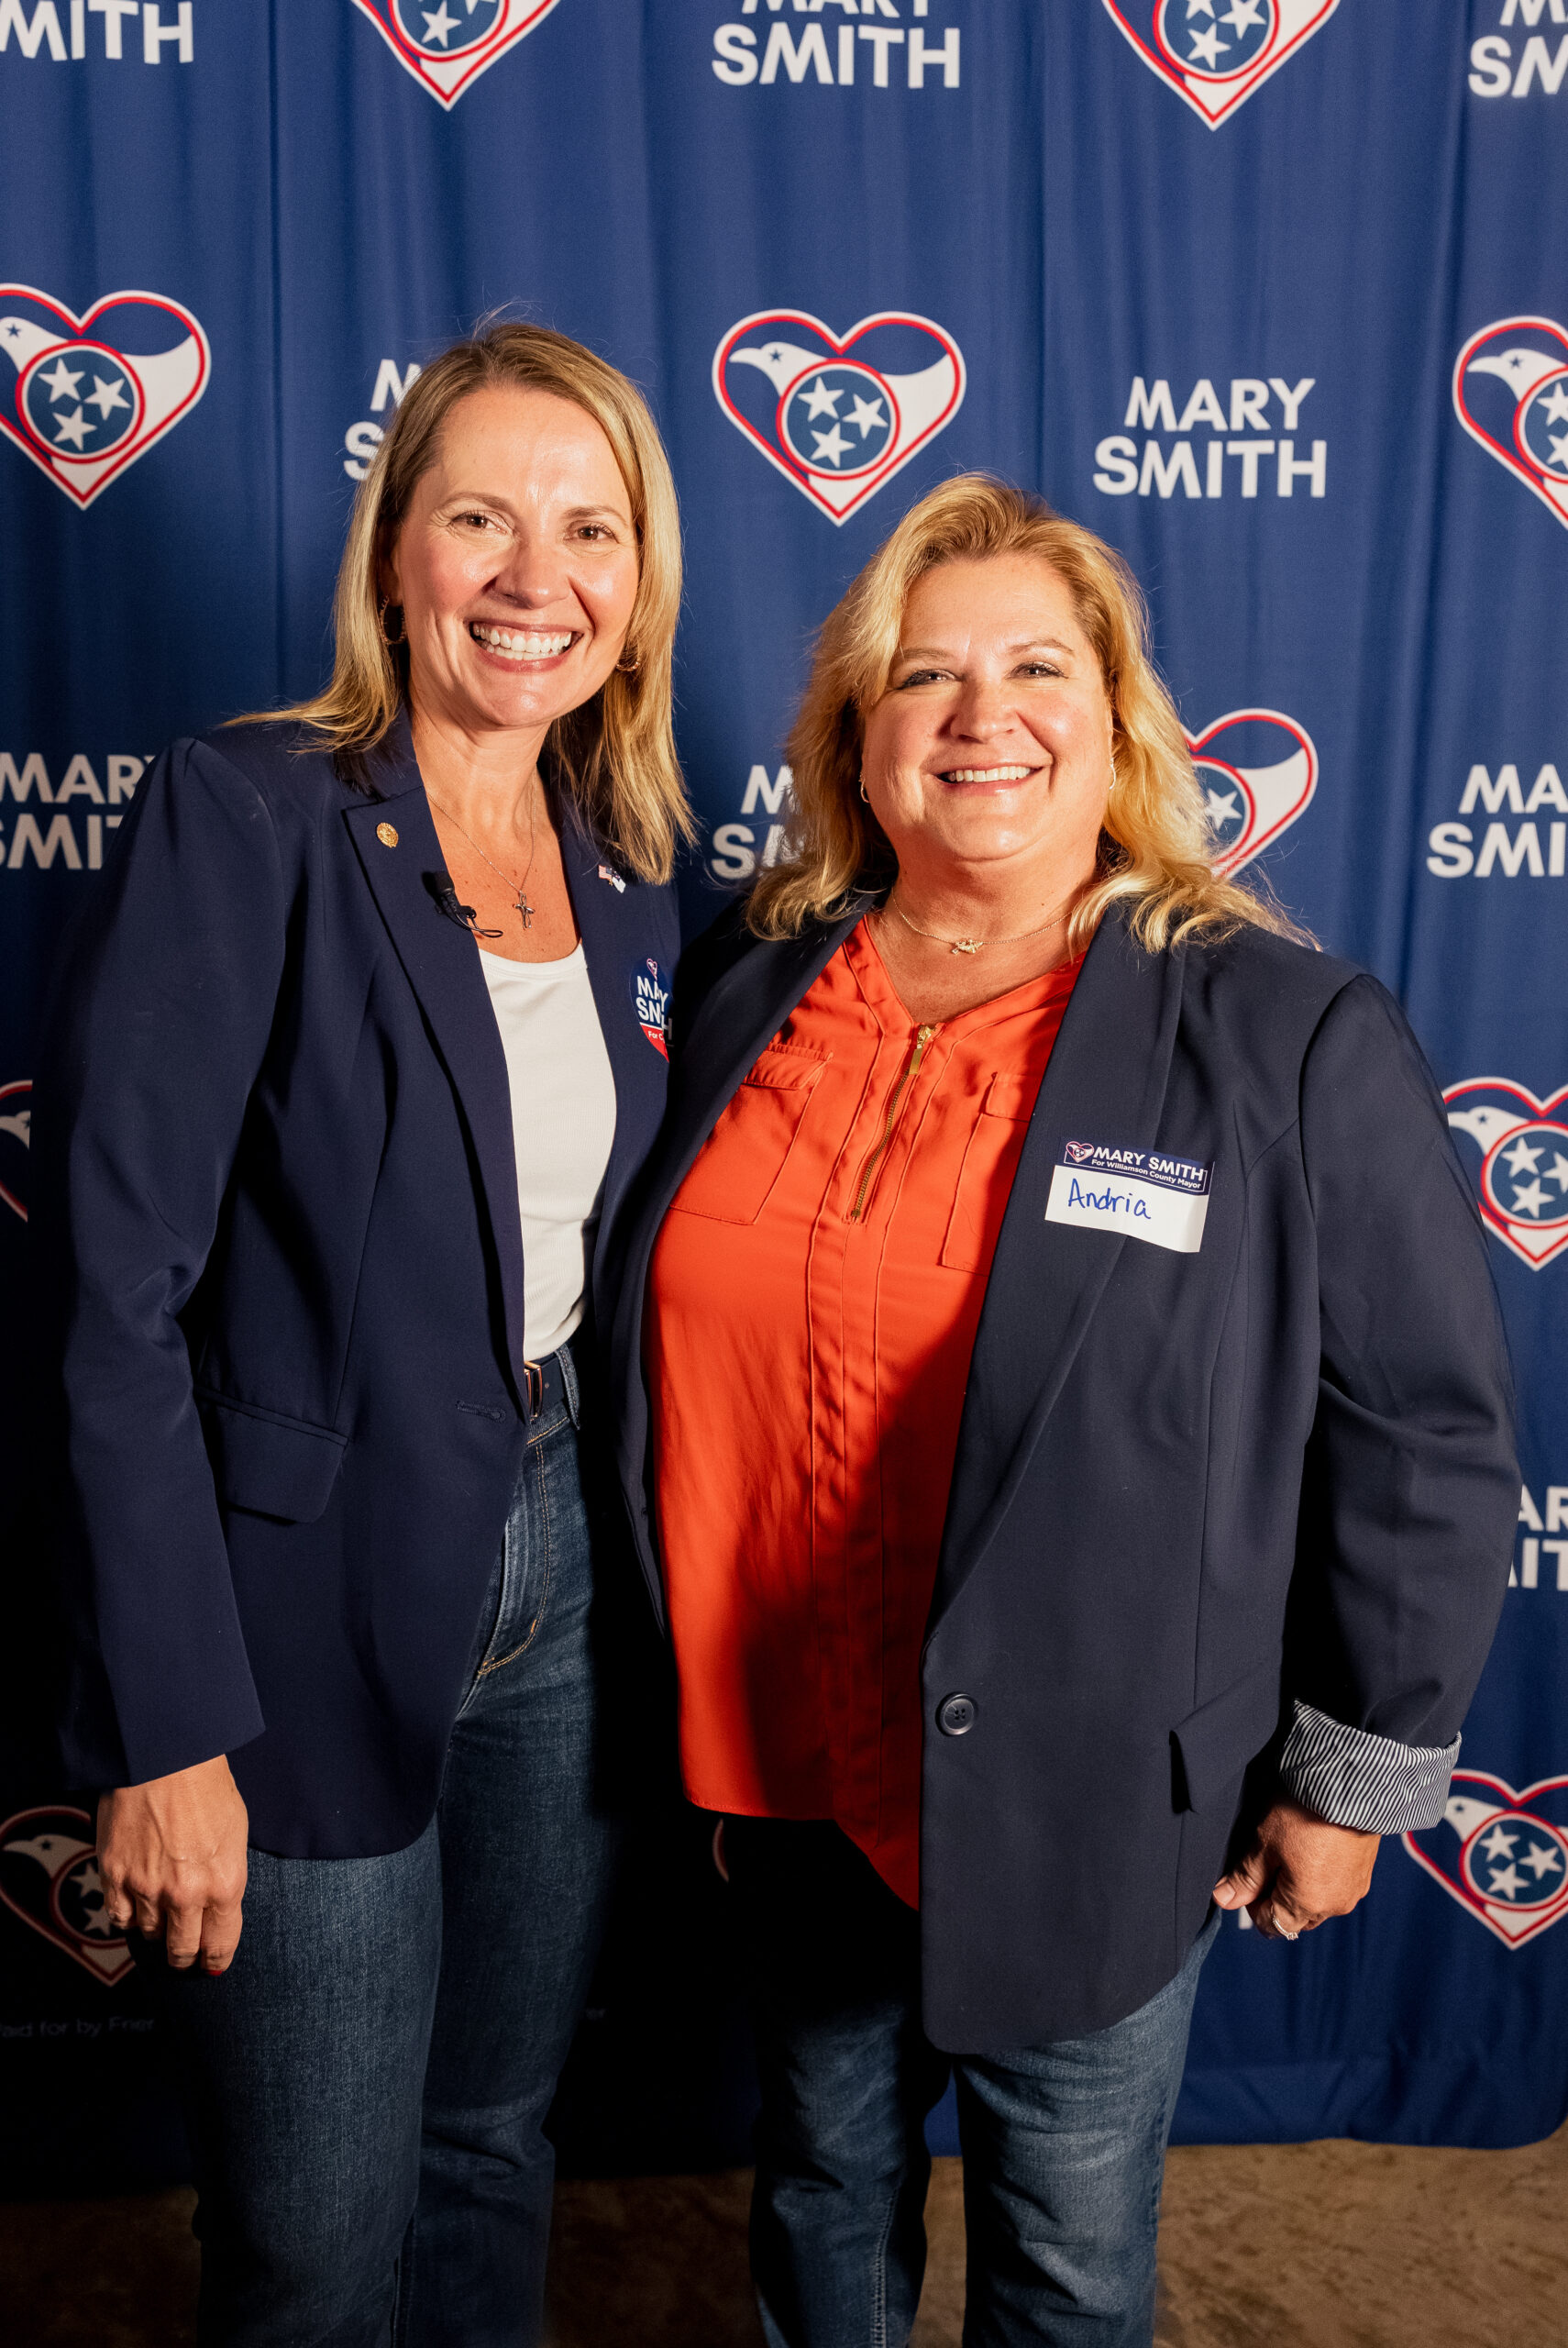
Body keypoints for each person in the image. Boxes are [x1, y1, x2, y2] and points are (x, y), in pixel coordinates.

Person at [609, 477, 1518, 2347]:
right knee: (819, 2191)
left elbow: (1423, 1437)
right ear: (856, 735)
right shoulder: (749, 984)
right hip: (789, 1767)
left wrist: (1349, 1780)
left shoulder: (1278, 1032)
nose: (982, 715)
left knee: (1067, 2259)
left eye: (1037, 668)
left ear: (1116, 722)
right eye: (923, 674)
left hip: (1094, 1789)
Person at [36, 321, 690, 2347]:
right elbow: (111, 1299)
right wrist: (167, 1723)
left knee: (489, 2144)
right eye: (480, 517)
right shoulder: (246, 813)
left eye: (590, 530)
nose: (535, 575)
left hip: (561, 1572)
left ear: (640, 578)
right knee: (314, 2243)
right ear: (396, 550)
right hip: (291, 1599)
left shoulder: (632, 876)